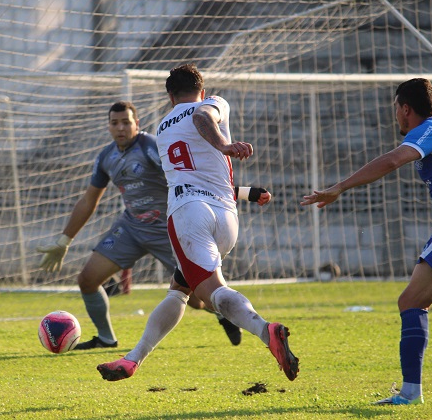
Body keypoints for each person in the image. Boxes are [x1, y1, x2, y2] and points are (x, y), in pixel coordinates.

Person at [97, 63, 299, 382]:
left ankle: (266, 331)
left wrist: (223, 145)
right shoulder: (215, 102)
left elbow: (199, 121)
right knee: (179, 289)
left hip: (188, 214)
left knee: (212, 293)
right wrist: (245, 189)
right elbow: (205, 144)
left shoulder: (163, 127)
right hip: (225, 216)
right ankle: (132, 359)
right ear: (201, 91)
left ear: (169, 96)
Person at [301, 78, 432, 405]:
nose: (396, 117)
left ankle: (411, 393)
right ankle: (410, 391)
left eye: (396, 110)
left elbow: (391, 161)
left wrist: (339, 187)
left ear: (405, 109)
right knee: (414, 301)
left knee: (411, 302)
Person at [37, 101, 243, 349]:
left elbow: (187, 176)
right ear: (109, 126)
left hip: (169, 230)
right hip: (132, 228)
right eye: (115, 123)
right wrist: (64, 240)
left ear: (137, 124)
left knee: (198, 298)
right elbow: (88, 200)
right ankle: (105, 338)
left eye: (126, 122)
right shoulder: (106, 157)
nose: (121, 128)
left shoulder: (152, 148)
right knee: (87, 280)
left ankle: (223, 312)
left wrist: (239, 193)